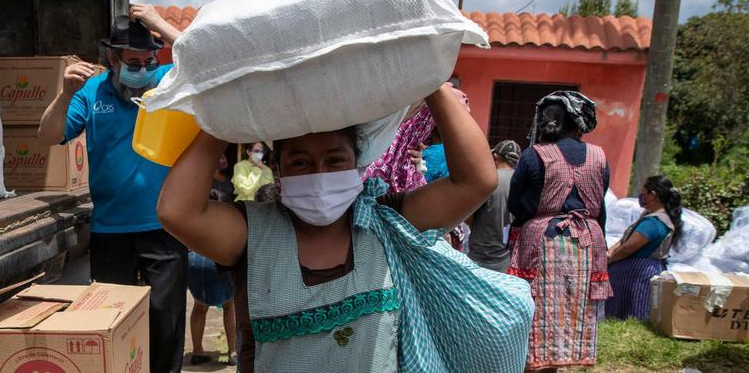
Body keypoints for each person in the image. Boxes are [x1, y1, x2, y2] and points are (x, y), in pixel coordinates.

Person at [158, 85, 499, 372]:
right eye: (301, 162)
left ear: (358, 165)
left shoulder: (385, 220)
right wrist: (224, 115)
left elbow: (476, 181)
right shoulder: (250, 233)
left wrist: (433, 83)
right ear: (278, 169)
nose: (319, 174)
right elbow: (177, 211)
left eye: (335, 160)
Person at [37, 4, 187, 373]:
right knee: (111, 325)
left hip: (164, 227)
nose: (143, 71)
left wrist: (155, 22)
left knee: (165, 325)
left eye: (148, 62)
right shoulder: (91, 91)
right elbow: (49, 135)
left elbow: (203, 54)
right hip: (110, 230)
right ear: (112, 61)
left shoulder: (169, 82)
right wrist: (64, 94)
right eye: (132, 65)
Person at [506, 91, 610, 372]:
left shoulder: (533, 155)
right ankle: (559, 361)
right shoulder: (599, 157)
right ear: (580, 122)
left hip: (542, 241)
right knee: (570, 307)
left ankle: (533, 364)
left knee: (536, 308)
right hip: (586, 243)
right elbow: (600, 205)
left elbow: (515, 203)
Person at [606, 175, 682, 321]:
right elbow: (624, 240)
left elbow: (628, 248)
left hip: (638, 273)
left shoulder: (654, 223)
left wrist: (609, 261)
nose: (641, 197)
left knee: (633, 313)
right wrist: (610, 252)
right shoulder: (652, 216)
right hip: (642, 269)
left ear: (653, 195)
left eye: (644, 193)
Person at [187, 154, 238, 366]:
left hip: (196, 257)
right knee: (229, 305)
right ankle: (233, 353)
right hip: (218, 256)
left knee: (200, 305)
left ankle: (198, 350)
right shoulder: (228, 193)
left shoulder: (194, 189)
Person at [466, 140, 520, 272]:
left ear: (495, 156)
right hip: (506, 258)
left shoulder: (489, 180)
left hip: (480, 254)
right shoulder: (521, 182)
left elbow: (468, 217)